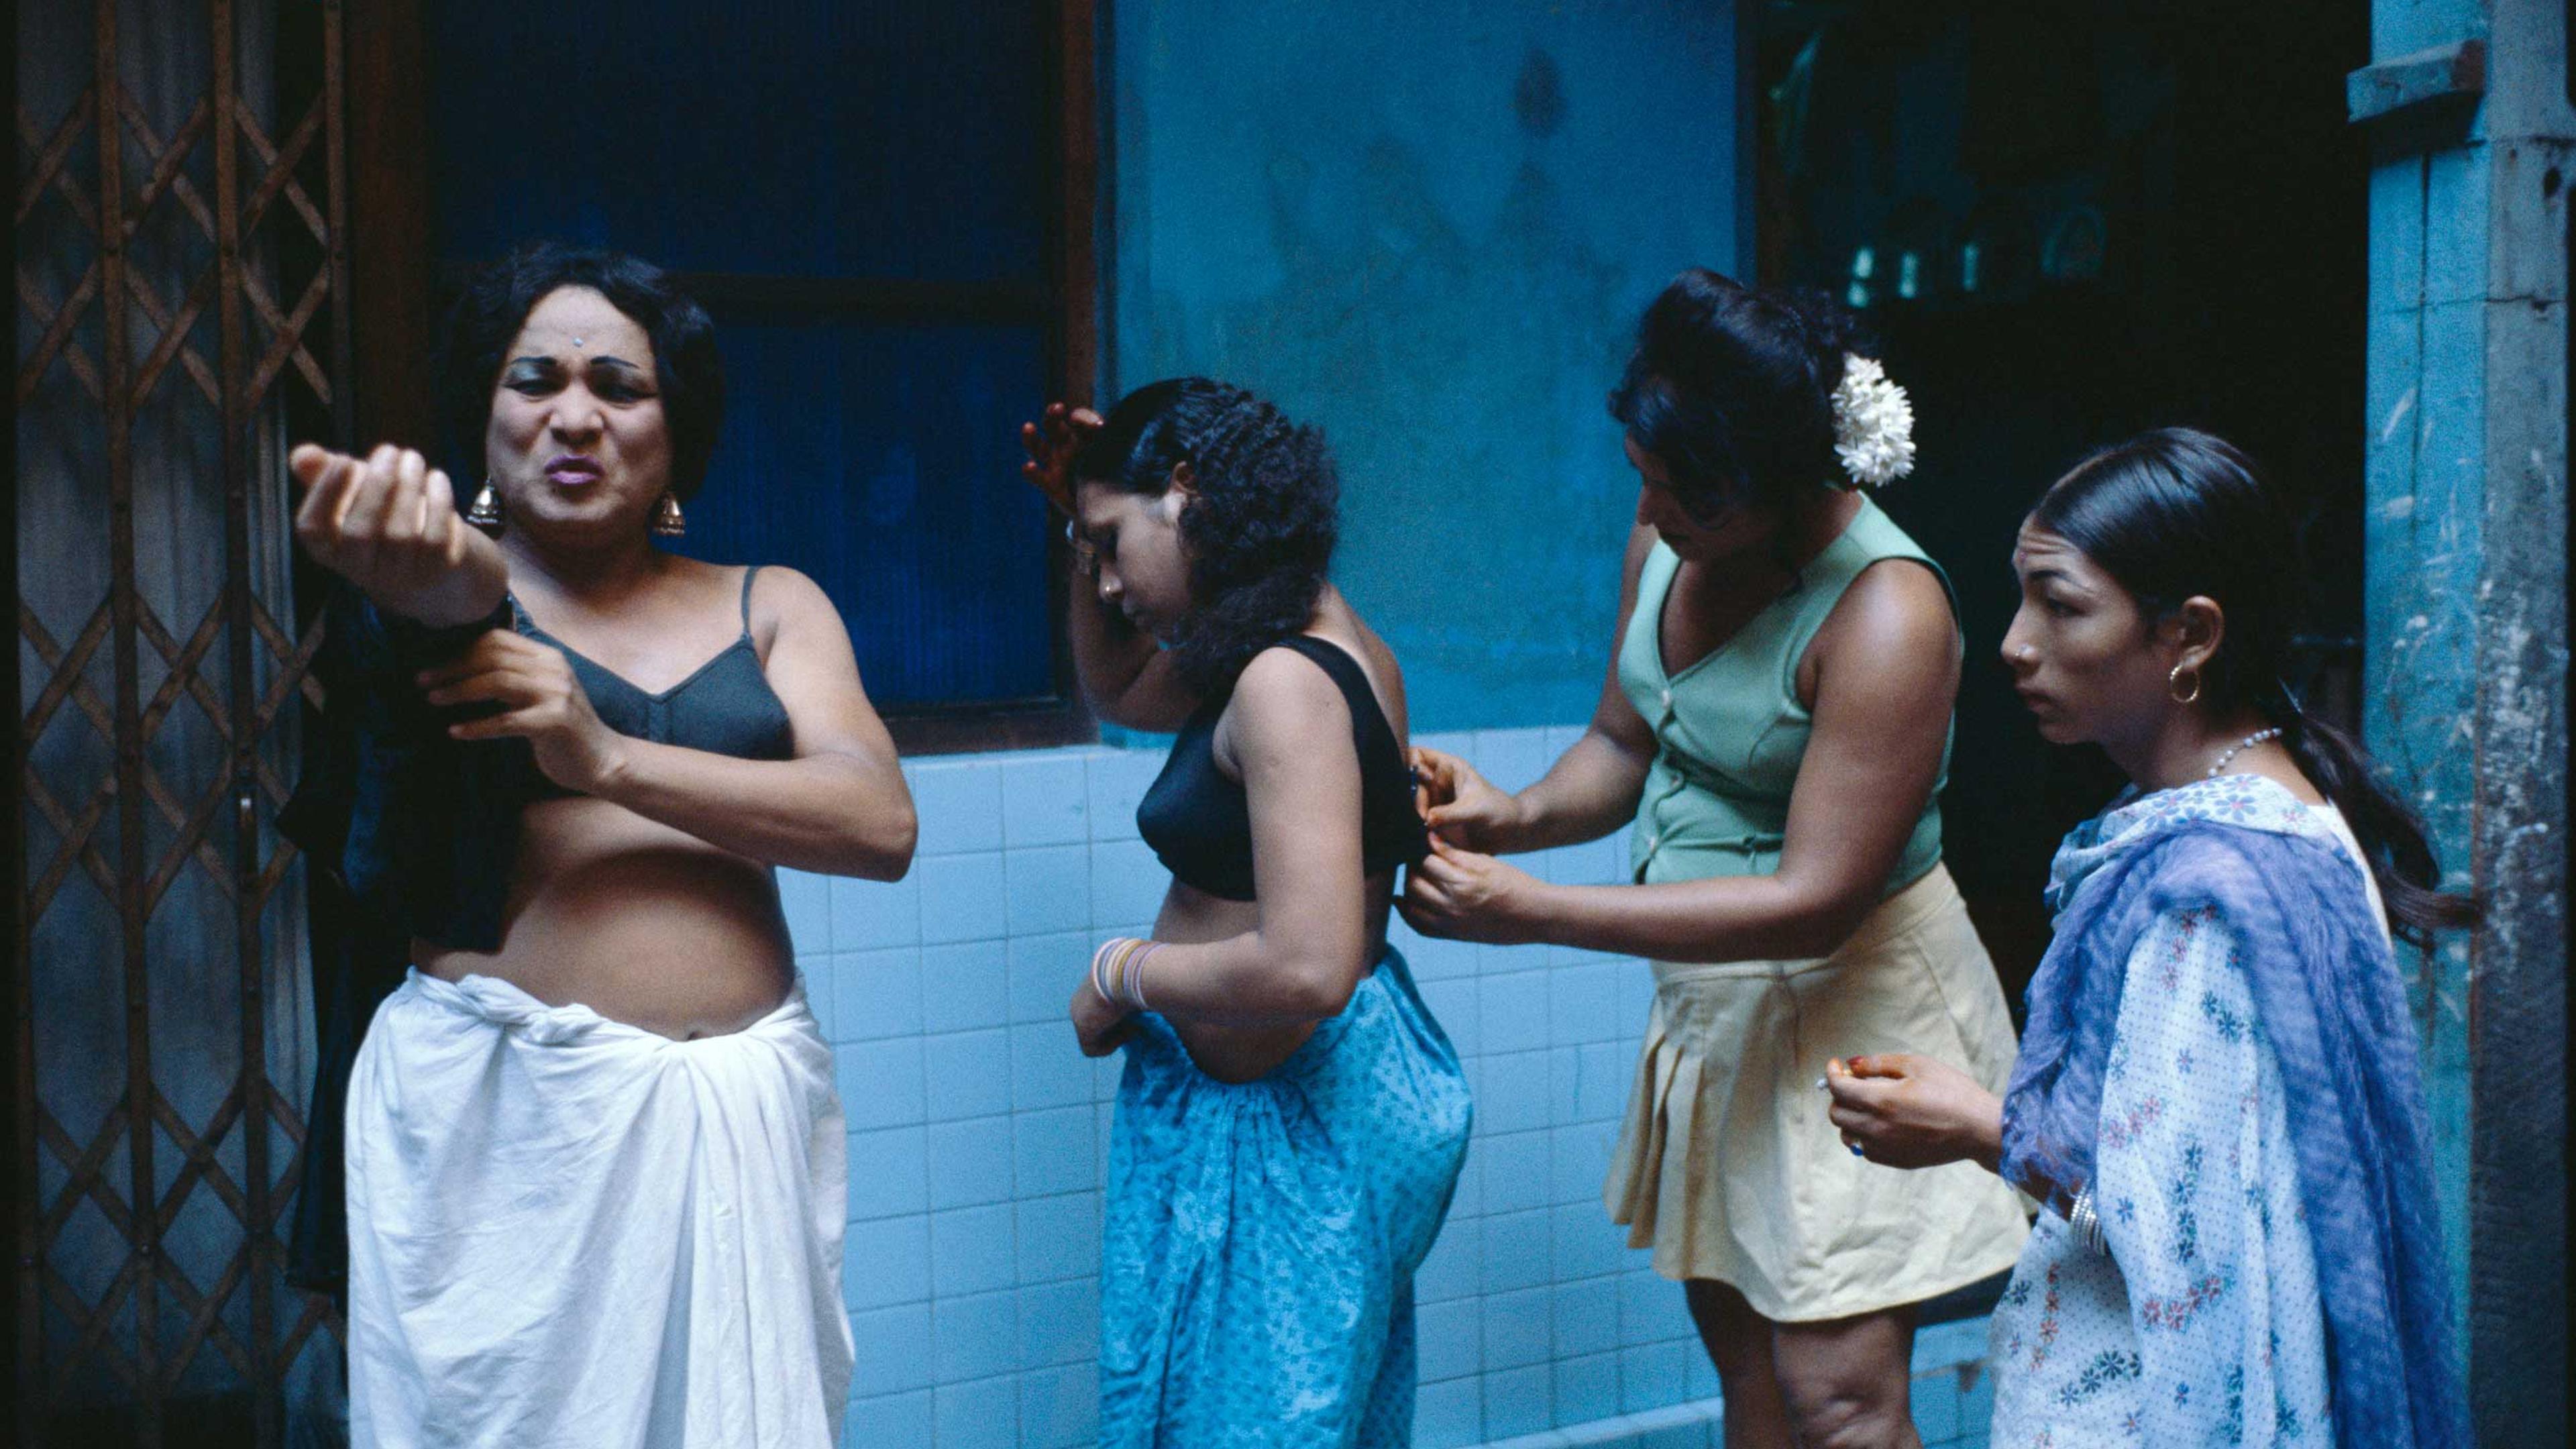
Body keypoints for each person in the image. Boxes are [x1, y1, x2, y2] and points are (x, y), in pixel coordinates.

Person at [291, 241, 915, 1446]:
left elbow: (878, 822)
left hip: (739, 1119)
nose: (574, 414)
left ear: (674, 435)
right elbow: (454, 587)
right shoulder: (448, 603)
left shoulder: (772, 601)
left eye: (618, 387)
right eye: (534, 381)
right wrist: (418, 563)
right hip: (511, 1140)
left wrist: (607, 757)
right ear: (483, 421)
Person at [1401, 269, 2025, 1448]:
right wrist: (1509, 815)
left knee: (1838, 1401)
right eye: (1644, 475)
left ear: (1782, 484)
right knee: (1750, 1377)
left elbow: (1814, 903)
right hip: (1717, 1009)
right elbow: (1624, 740)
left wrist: (1533, 909)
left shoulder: (1888, 612)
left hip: (1855, 1013)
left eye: (1684, 492)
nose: (1653, 509)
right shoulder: (1670, 521)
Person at [1825, 428, 2471, 1448]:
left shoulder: (2208, 895)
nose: (2015, 643)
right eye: (2022, 593)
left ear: (2192, 635)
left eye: (2063, 604)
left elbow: (2178, 1232)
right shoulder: (2261, 810)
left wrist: (1975, 1127)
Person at [1018, 380, 1472, 1446]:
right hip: (1283, 1107)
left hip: (1286, 1132)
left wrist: (1121, 973)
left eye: (1113, 541)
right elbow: (1120, 691)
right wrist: (1076, 526)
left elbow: (1310, 966)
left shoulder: (1283, 679)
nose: (1111, 577)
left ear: (1185, 495)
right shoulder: (1310, 638)